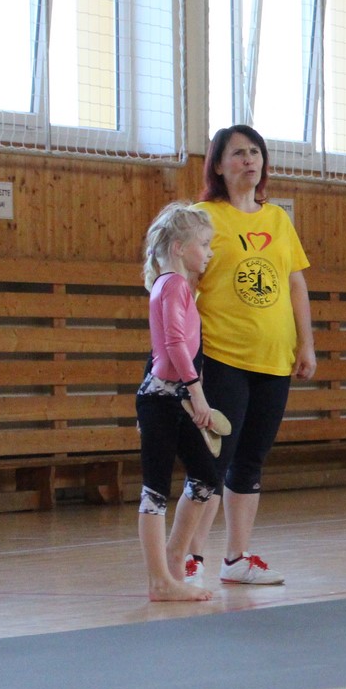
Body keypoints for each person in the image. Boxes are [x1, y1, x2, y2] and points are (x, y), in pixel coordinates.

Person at [177, 125, 317, 586]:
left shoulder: (277, 219)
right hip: (222, 356)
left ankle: (236, 558)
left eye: (255, 152)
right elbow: (186, 287)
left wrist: (305, 343)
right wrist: (186, 357)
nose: (249, 160)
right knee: (212, 462)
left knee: (251, 460)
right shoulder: (203, 217)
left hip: (273, 359)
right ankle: (190, 557)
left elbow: (295, 283)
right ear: (218, 165)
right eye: (238, 153)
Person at [135, 204, 222, 602]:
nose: (208, 252)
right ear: (178, 247)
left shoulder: (175, 286)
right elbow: (172, 344)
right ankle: (159, 581)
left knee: (205, 477)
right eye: (203, 244)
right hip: (162, 399)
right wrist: (197, 392)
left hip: (174, 397)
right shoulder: (172, 285)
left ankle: (174, 558)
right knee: (155, 489)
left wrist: (190, 393)